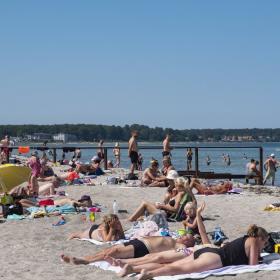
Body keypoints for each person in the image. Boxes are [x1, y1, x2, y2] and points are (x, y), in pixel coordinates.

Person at [135, 224, 268, 279]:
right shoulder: (254, 241)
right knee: (178, 269)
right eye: (265, 242)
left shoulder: (245, 239)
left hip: (207, 251)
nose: (265, 245)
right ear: (260, 238)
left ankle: (133, 268)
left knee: (170, 264)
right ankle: (149, 273)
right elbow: (253, 265)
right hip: (215, 258)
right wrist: (260, 257)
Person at [61, 234, 195, 265]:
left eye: (187, 237)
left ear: (189, 243)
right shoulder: (173, 238)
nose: (183, 236)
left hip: (145, 248)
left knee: (113, 252)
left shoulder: (180, 246)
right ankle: (86, 258)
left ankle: (85, 261)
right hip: (139, 242)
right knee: (109, 250)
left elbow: (181, 253)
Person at [128, 177, 194, 221]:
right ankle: (135, 218)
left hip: (164, 215)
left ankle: (130, 220)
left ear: (177, 185)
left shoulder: (180, 194)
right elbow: (194, 202)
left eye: (175, 183)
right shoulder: (185, 193)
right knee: (151, 204)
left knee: (144, 203)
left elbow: (175, 210)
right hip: (165, 213)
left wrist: (161, 206)